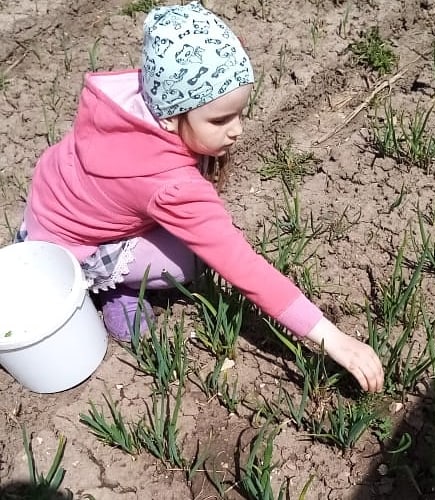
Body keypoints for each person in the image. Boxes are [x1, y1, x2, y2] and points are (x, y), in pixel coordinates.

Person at [16, 2, 383, 393]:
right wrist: (333, 338)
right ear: (170, 116)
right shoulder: (169, 184)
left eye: (240, 113)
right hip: (71, 254)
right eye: (220, 120)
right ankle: (117, 291)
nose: (237, 130)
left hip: (47, 211)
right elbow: (240, 264)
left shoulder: (125, 103)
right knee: (192, 260)